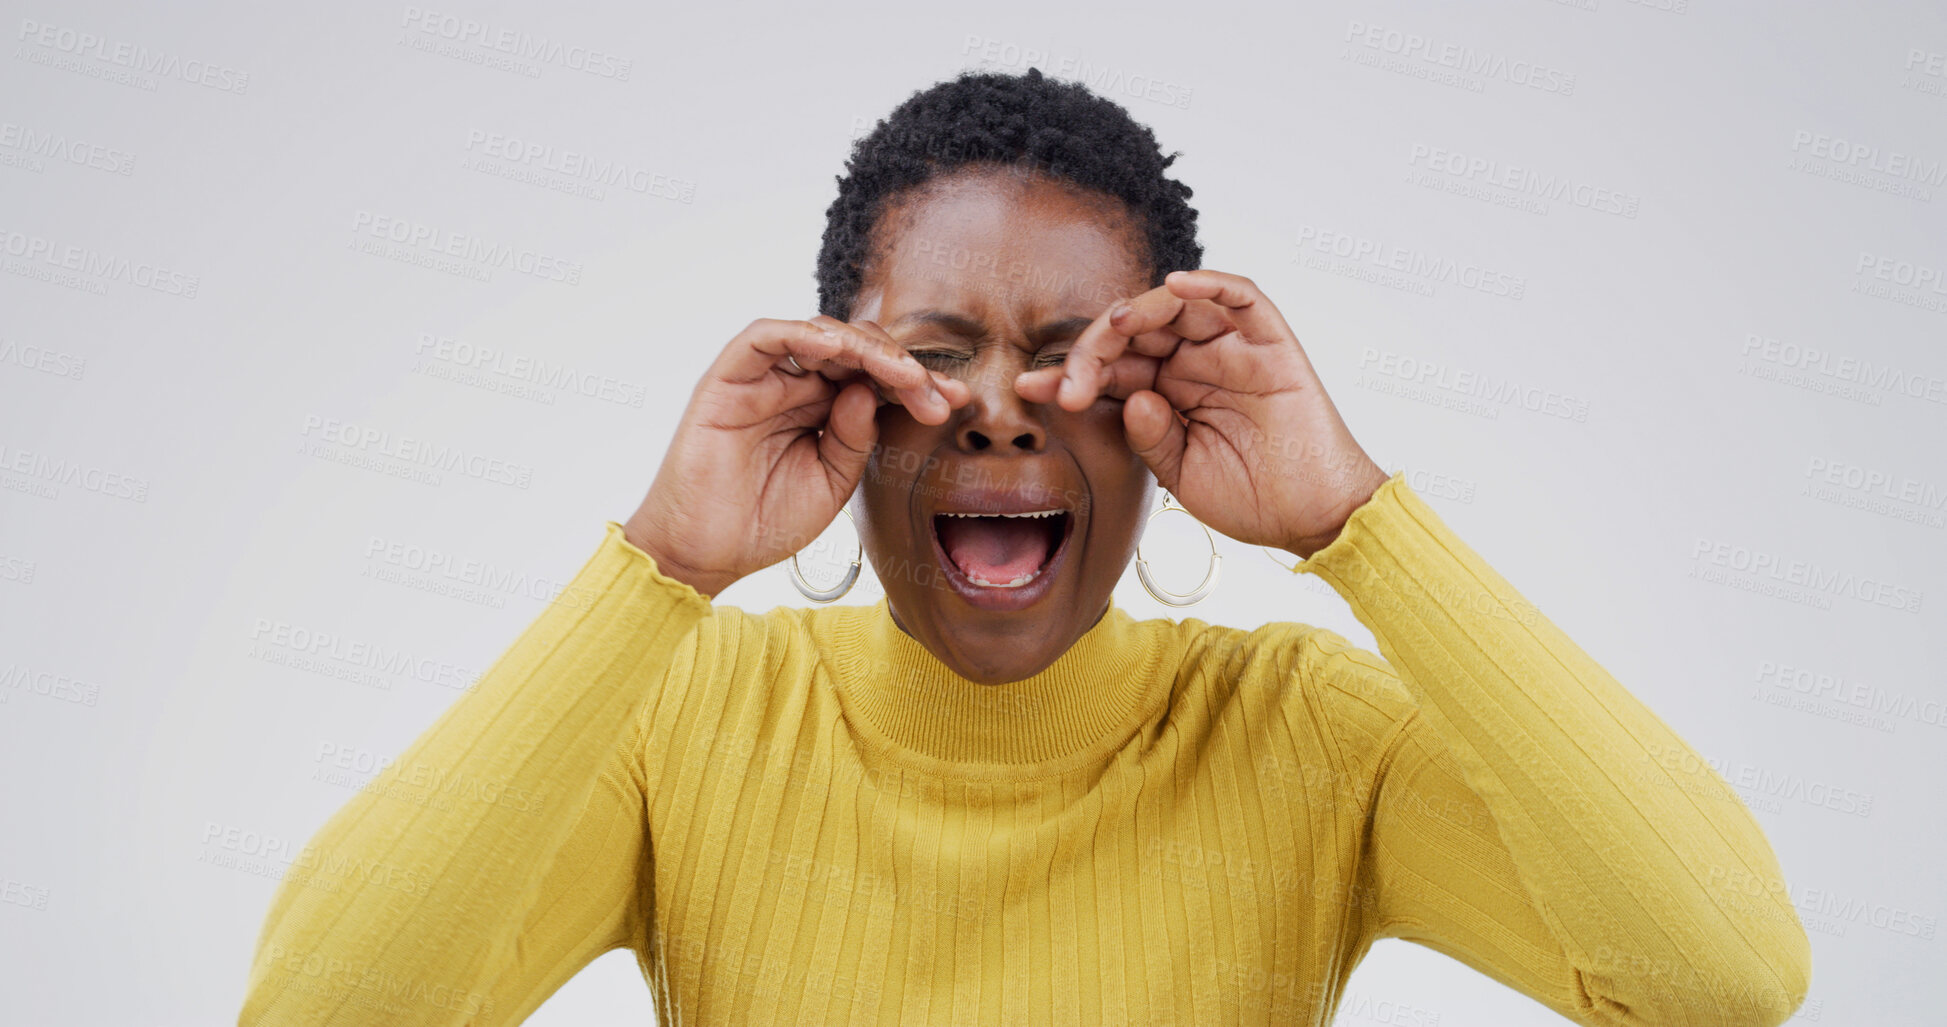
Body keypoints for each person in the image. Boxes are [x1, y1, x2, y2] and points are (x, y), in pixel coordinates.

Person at [238, 67, 1811, 1026]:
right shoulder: (690, 717)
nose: (999, 412)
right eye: (938, 350)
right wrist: (659, 568)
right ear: (841, 382)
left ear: (1153, 402)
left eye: (1067, 354)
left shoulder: (1305, 740)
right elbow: (320, 1017)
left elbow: (1724, 981)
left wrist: (1357, 526)